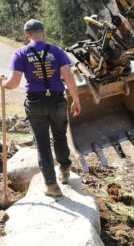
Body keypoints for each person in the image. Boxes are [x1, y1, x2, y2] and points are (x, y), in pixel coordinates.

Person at [0, 19, 81, 197]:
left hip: (35, 104)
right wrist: (76, 100)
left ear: (26, 35)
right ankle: (65, 170)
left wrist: (3, 82)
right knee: (60, 136)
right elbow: (68, 77)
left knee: (43, 144)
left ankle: (52, 186)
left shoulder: (20, 53)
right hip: (58, 101)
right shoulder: (57, 50)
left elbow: (13, 83)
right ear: (43, 32)